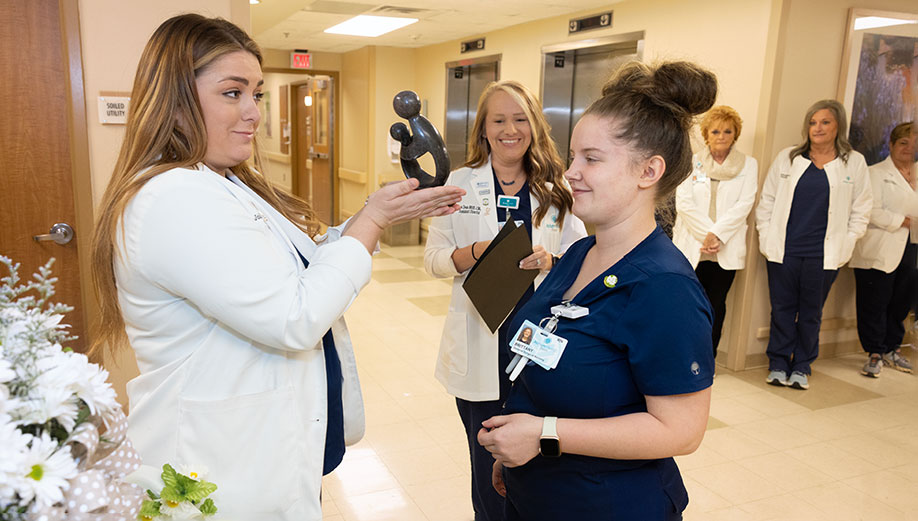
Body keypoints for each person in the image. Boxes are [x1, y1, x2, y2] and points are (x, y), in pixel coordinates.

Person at [88, 14, 464, 521]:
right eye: (232, 93)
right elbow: (293, 315)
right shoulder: (172, 197)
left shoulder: (222, 183)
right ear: (176, 101)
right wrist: (372, 221)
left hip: (252, 450)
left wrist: (377, 213)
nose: (253, 113)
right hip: (214, 466)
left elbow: (298, 263)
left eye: (257, 94)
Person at [477, 61, 717, 521]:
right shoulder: (579, 255)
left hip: (608, 504)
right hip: (539, 491)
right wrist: (517, 450)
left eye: (592, 158)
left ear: (649, 171)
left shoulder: (663, 287)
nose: (571, 173)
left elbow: (682, 432)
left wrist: (543, 433)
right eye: (573, 157)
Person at [424, 80, 586, 521]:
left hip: (535, 344)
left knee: (538, 458)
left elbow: (582, 256)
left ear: (534, 126)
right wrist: (477, 252)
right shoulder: (459, 184)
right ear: (483, 129)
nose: (509, 129)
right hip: (481, 342)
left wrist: (551, 260)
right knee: (486, 468)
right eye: (498, 119)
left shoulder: (557, 189)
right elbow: (434, 261)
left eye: (520, 119)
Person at [755, 99, 872, 390]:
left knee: (811, 312)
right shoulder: (788, 158)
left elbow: (862, 208)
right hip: (785, 250)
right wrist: (766, 234)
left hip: (824, 254)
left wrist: (849, 240)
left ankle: (802, 365)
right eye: (812, 122)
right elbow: (767, 201)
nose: (817, 128)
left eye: (824, 122)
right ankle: (779, 363)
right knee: (782, 309)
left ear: (838, 127)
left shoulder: (853, 162)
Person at [673, 105, 758, 363]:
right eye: (716, 131)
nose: (721, 136)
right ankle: (683, 356)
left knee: (716, 305)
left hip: (725, 249)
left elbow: (745, 203)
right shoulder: (692, 162)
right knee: (688, 306)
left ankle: (707, 358)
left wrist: (717, 235)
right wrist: (707, 235)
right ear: (706, 134)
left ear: (735, 134)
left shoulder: (748, 165)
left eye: (727, 131)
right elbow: (684, 202)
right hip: (693, 247)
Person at [850, 122, 917, 377]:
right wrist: (903, 221)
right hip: (879, 246)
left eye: (913, 145)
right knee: (874, 302)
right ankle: (875, 352)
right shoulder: (874, 173)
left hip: (910, 247)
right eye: (903, 143)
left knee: (902, 301)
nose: (908, 149)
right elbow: (870, 210)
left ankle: (892, 348)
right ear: (891, 145)